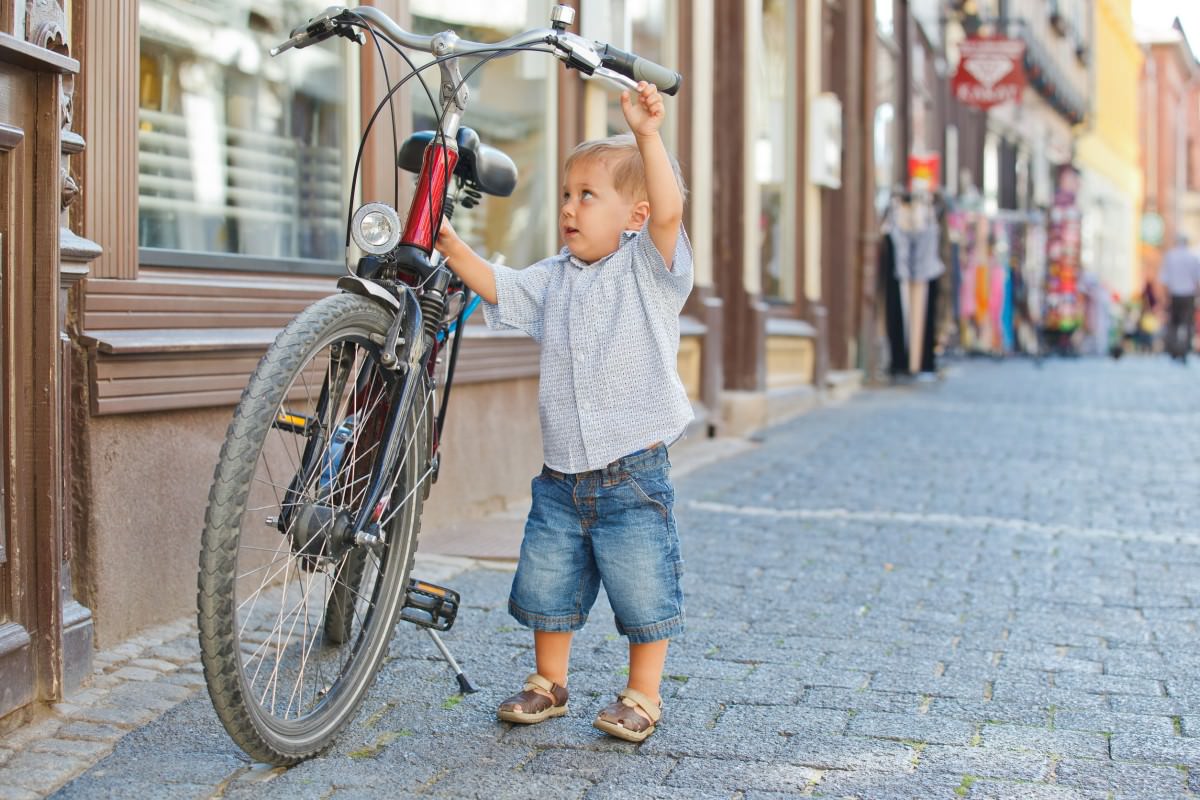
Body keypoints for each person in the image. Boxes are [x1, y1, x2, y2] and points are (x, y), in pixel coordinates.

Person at [435, 81, 691, 743]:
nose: (570, 209)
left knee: (642, 589)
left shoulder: (648, 268)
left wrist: (647, 136)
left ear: (631, 215)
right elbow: (504, 287)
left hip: (633, 473)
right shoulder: (555, 275)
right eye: (567, 194)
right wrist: (451, 245)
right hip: (561, 476)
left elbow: (668, 209)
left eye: (588, 196)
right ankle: (549, 682)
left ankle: (642, 694)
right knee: (548, 584)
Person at [1160, 234, 1200, 363]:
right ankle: (1185, 349)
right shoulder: (1193, 257)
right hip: (1188, 294)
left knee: (1173, 323)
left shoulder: (1170, 256)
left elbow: (1165, 279)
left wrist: (1165, 297)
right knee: (1188, 323)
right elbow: (1197, 279)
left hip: (1174, 294)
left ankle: (1173, 350)